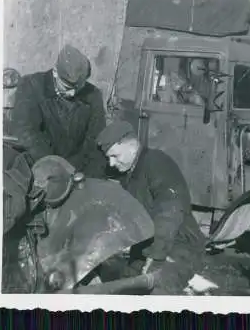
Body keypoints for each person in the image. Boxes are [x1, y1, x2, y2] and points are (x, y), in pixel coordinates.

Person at [96, 120, 206, 295]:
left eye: (115, 156)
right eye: (109, 157)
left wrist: (155, 257)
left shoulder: (157, 163)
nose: (111, 163)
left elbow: (170, 212)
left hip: (179, 244)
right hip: (149, 245)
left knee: (158, 289)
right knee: (124, 287)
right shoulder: (130, 173)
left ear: (131, 146)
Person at [12, 44, 107, 178]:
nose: (73, 93)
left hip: (78, 171)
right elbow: (27, 132)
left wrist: (79, 174)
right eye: (67, 86)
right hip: (39, 166)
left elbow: (95, 139)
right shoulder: (31, 86)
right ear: (55, 72)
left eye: (79, 86)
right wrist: (55, 168)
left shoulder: (93, 95)